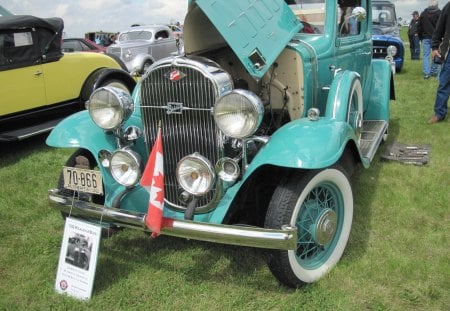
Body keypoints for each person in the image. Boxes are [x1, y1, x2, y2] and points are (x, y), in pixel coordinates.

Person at [428, 1, 450, 124]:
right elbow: (439, 28)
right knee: (444, 83)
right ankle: (439, 113)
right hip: (449, 52)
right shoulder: (448, 7)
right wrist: (435, 47)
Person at [418, 0, 441, 79]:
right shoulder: (439, 13)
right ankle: (433, 71)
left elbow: (419, 27)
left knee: (426, 55)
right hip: (436, 38)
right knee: (436, 54)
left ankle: (427, 73)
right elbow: (441, 26)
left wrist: (420, 37)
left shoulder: (423, 14)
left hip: (425, 37)